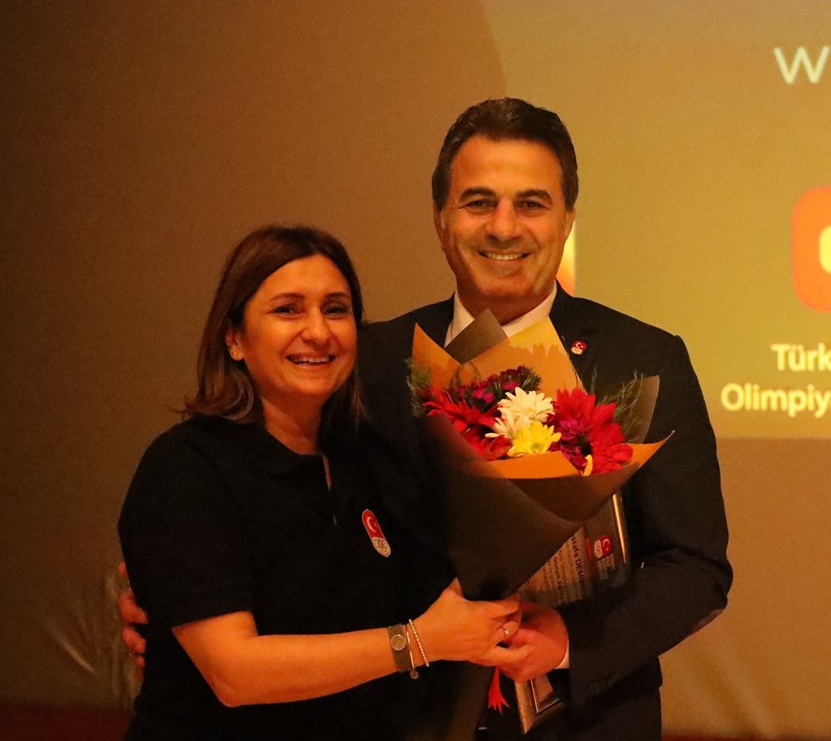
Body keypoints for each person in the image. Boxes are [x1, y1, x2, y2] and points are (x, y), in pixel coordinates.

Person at [121, 100, 732, 740]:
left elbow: (696, 567)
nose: (504, 227)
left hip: (588, 721)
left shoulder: (643, 361)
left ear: (567, 219)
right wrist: (173, 588)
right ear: (441, 220)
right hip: (401, 720)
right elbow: (276, 510)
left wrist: (568, 640)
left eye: (531, 204)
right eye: (478, 202)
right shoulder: (367, 361)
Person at [117, 224, 525, 741]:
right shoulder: (186, 468)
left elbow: (435, 588)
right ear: (234, 338)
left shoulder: (366, 457)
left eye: (335, 309)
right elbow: (235, 673)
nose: (318, 331)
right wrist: (417, 642)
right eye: (287, 310)